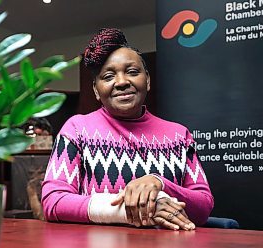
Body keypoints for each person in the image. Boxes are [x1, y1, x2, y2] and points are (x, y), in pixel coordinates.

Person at [41, 28, 213, 231]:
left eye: (132, 72)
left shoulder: (178, 135)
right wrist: (133, 211)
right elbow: (53, 202)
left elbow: (204, 206)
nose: (122, 82)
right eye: (108, 76)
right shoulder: (77, 130)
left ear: (147, 80)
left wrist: (159, 183)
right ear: (96, 90)